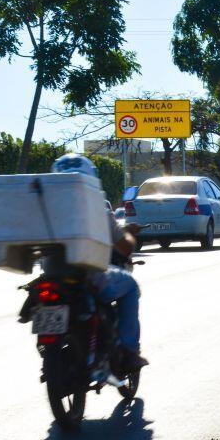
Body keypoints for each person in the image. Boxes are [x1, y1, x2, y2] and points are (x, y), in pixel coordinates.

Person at [51, 153, 148, 371]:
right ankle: (130, 351)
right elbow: (125, 247)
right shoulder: (97, 210)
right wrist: (128, 233)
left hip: (51, 277)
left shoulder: (43, 208)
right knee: (131, 287)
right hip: (89, 277)